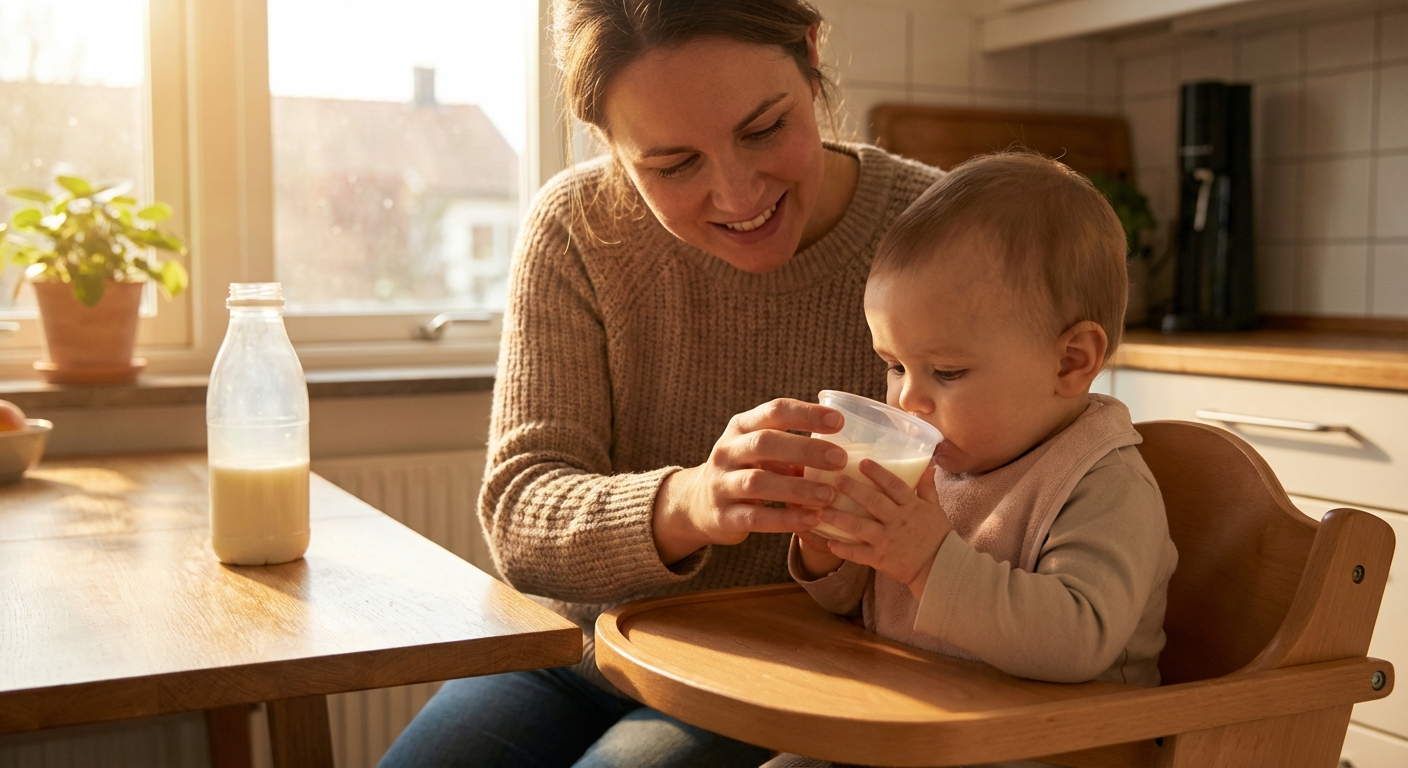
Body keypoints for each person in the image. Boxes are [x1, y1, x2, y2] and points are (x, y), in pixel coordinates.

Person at [379, 1, 944, 766]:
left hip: (799, 664)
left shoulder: (936, 231)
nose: (740, 197)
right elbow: (519, 513)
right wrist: (693, 500)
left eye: (765, 128)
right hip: (580, 655)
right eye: (673, 165)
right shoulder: (577, 230)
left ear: (811, 56)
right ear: (607, 143)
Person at [776, 152, 1180, 766]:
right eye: (894, 366)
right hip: (916, 731)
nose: (908, 398)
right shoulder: (941, 457)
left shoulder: (1101, 482)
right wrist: (832, 541)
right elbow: (859, 609)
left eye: (947, 371)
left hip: (1056, 750)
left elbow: (1078, 638)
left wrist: (927, 559)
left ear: (1071, 362)